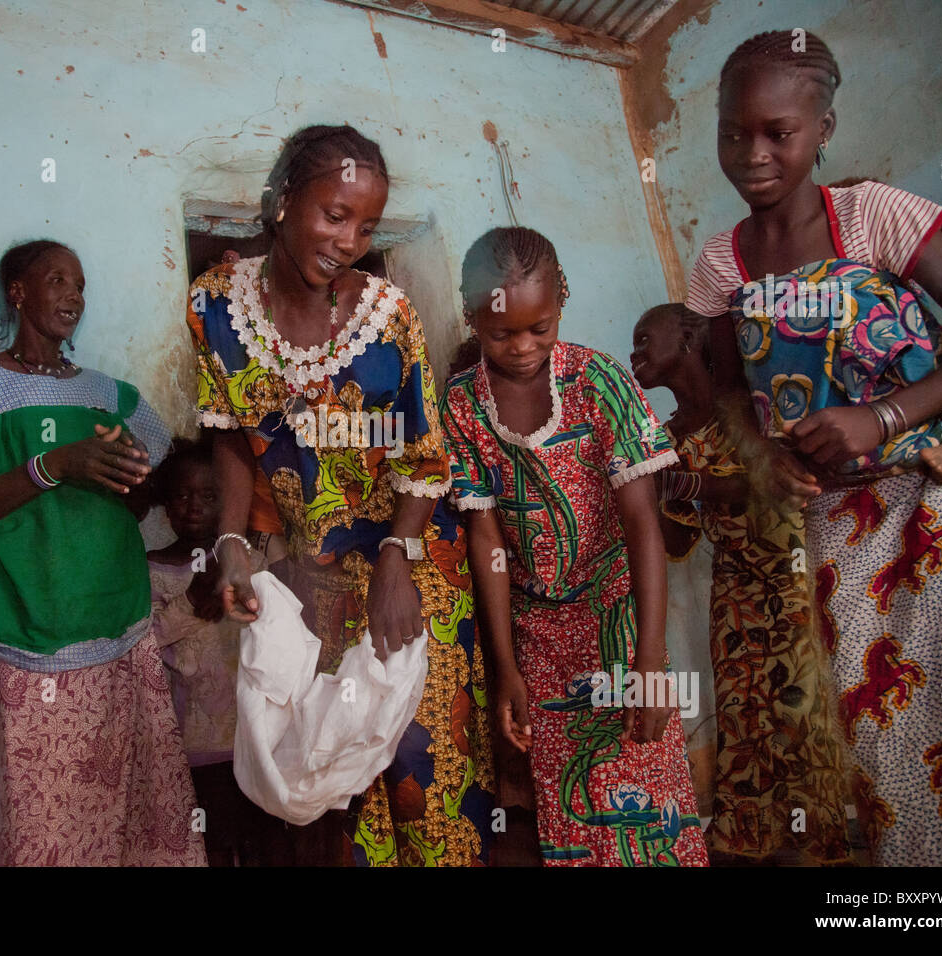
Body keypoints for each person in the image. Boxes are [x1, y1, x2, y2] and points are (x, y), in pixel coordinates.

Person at [685, 30, 942, 864]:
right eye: (733, 132)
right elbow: (730, 395)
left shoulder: (871, 216)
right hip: (836, 522)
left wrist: (886, 416)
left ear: (823, 129)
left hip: (939, 493)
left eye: (778, 133)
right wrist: (769, 458)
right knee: (880, 722)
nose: (753, 155)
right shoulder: (721, 266)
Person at [187, 124, 495, 866]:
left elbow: (425, 454)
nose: (350, 239)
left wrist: (399, 555)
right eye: (334, 215)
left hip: (413, 569)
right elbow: (228, 433)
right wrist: (229, 540)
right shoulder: (216, 306)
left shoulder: (387, 314)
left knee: (429, 779)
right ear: (285, 200)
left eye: (366, 225)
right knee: (340, 790)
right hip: (314, 586)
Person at [0, 239, 204, 866]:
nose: (73, 296)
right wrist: (53, 466)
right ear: (17, 293)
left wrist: (129, 479)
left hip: (121, 619)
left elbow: (158, 478)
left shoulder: (110, 395)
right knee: (45, 816)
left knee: (142, 808)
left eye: (79, 285)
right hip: (28, 625)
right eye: (57, 281)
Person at [440, 226, 707, 866]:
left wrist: (649, 658)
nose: (524, 347)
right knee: (572, 803)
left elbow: (642, 521)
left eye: (540, 327)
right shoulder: (461, 406)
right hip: (537, 632)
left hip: (618, 617)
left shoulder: (599, 381)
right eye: (502, 333)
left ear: (561, 298)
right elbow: (487, 539)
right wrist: (506, 666)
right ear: (472, 315)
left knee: (645, 789)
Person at [632, 302, 850, 865]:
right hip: (735, 592)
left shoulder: (752, 406)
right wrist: (645, 496)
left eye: (643, 340)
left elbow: (776, 482)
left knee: (802, 711)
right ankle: (752, 842)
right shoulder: (664, 437)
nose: (635, 355)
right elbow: (679, 543)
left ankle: (820, 845)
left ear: (687, 336)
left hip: (791, 573)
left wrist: (686, 483)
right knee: (744, 716)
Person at [147, 434, 295, 866]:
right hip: (192, 747)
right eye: (182, 495)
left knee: (266, 843)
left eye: (210, 495)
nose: (194, 506)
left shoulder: (249, 566)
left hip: (252, 740)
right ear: (165, 503)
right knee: (210, 844)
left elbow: (277, 630)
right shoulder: (152, 568)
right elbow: (144, 642)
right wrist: (192, 601)